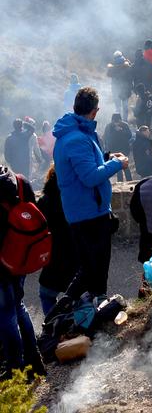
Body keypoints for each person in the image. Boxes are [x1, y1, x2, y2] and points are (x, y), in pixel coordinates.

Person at [53, 87, 128, 302]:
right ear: (95, 111)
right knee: (93, 272)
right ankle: (74, 313)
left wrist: (106, 157)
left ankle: (88, 309)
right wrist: (117, 163)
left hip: (87, 211)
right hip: (89, 215)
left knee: (90, 270)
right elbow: (89, 177)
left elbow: (84, 166)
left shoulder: (77, 132)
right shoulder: (77, 138)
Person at [0, 166, 44, 375]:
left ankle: (15, 370)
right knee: (18, 305)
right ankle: (35, 361)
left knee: (5, 315)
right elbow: (33, 212)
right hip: (20, 257)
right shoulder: (19, 180)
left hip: (0, 262)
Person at [36, 166, 78, 316]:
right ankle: (75, 330)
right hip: (77, 256)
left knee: (46, 295)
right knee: (77, 297)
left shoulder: (44, 201)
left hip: (53, 258)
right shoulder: (77, 197)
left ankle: (52, 328)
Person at [103, 114, 133, 182]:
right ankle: (120, 182)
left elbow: (129, 135)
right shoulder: (109, 126)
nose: (117, 123)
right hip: (114, 150)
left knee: (126, 166)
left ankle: (130, 181)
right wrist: (107, 149)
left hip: (124, 149)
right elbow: (106, 138)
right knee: (118, 168)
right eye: (115, 121)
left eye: (118, 121)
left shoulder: (124, 125)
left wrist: (121, 130)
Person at [106, 52, 133, 120]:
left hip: (116, 88)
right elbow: (131, 75)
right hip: (125, 88)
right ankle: (125, 120)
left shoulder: (113, 65)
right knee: (125, 106)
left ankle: (118, 120)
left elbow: (108, 74)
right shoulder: (126, 64)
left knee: (118, 107)